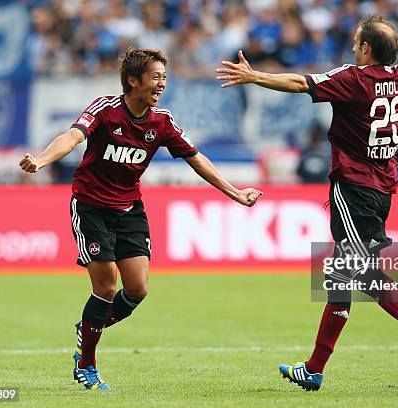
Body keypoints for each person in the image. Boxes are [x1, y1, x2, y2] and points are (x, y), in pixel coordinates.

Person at [216, 16, 398, 391]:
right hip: (383, 189)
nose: (354, 47)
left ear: (367, 49)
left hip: (353, 188)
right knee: (341, 277)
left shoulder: (354, 79)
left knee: (357, 272)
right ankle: (314, 368)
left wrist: (255, 76)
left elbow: (300, 83)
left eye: (358, 42)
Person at [19, 48, 263, 391]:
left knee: (137, 290)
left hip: (130, 209)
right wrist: (42, 161)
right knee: (105, 286)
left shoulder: (162, 121)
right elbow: (72, 137)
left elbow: (196, 158)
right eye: (155, 77)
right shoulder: (105, 109)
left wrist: (235, 193)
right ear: (133, 81)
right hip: (91, 207)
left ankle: (89, 326)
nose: (161, 83)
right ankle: (86, 363)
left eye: (164, 77)